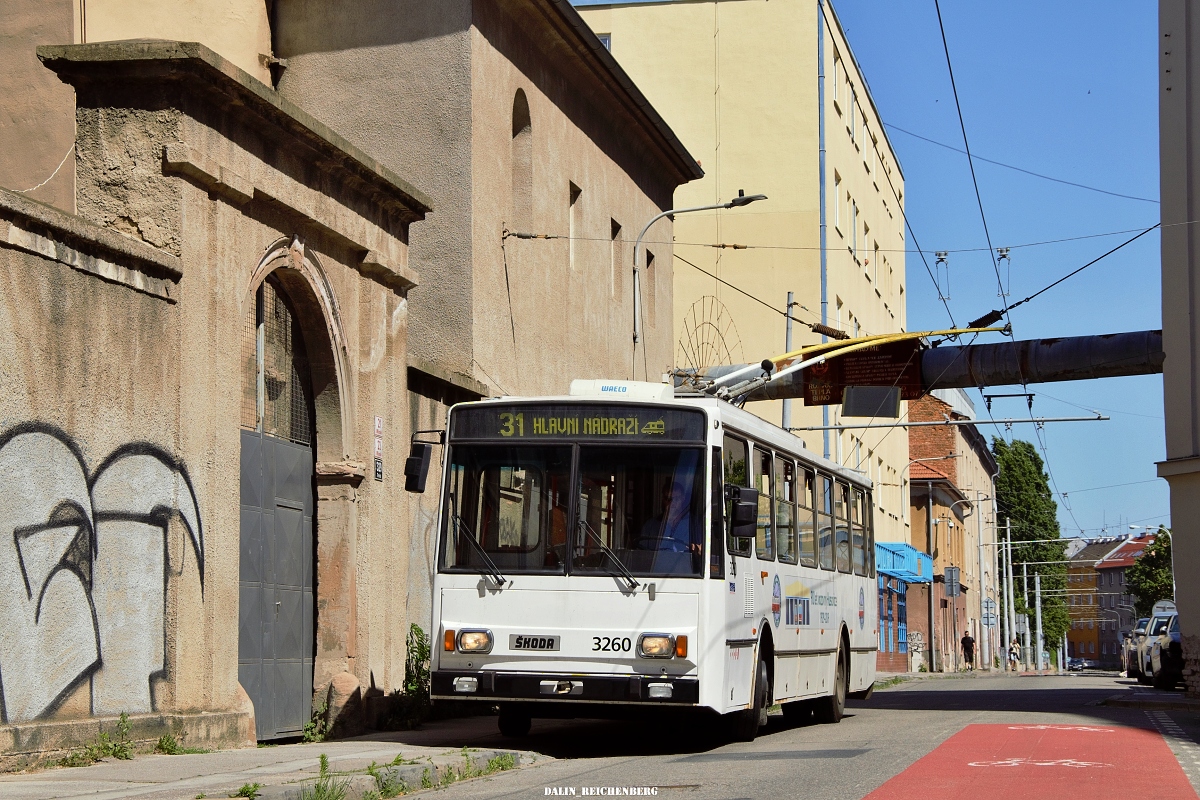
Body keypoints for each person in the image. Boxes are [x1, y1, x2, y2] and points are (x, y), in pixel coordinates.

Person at [639, 482, 699, 553]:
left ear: (683, 499)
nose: (672, 503)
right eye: (668, 499)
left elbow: (700, 551)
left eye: (676, 499)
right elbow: (642, 553)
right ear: (663, 499)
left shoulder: (693, 524)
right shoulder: (650, 526)